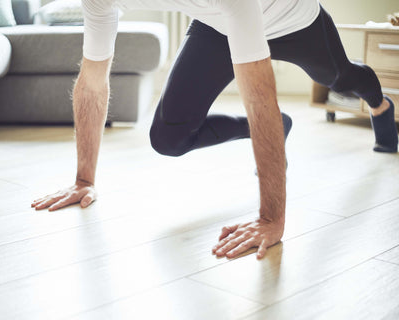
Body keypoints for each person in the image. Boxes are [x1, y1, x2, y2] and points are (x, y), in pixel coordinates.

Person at [31, 0, 398, 260]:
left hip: (293, 20)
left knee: (341, 79)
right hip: (219, 22)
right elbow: (92, 81)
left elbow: (259, 99)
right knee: (168, 138)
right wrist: (83, 180)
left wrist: (271, 220)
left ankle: (382, 106)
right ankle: (279, 128)